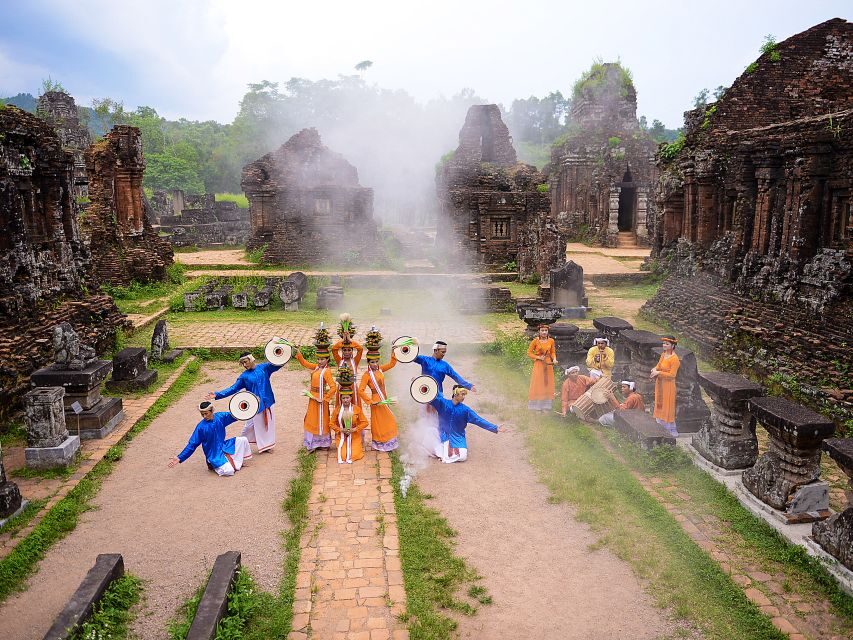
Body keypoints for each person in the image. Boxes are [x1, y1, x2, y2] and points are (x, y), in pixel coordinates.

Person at [207, 351, 281, 454]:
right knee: (250, 426)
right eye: (242, 364)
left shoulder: (264, 368)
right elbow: (233, 388)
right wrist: (218, 394)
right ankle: (238, 444)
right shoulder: (244, 376)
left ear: (251, 359)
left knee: (267, 424)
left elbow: (277, 364)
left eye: (245, 362)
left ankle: (265, 446)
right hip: (255, 405)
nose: (244, 365)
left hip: (268, 401)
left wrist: (284, 353)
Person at [168, 401, 252, 476]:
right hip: (213, 454)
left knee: (243, 440)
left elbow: (234, 415)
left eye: (206, 413)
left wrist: (248, 406)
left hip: (224, 446)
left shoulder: (220, 417)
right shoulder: (200, 427)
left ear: (212, 411)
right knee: (229, 471)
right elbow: (192, 445)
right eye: (202, 414)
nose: (204, 416)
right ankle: (212, 464)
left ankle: (234, 461)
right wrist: (180, 457)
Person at [429, 385, 506, 463]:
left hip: (457, 437)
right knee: (430, 431)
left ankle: (443, 455)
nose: (463, 397)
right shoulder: (443, 403)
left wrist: (495, 428)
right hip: (442, 434)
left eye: (464, 395)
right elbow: (428, 397)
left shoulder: (465, 410)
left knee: (462, 456)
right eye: (462, 394)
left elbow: (478, 420)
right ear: (455, 394)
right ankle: (443, 453)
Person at [294, 325, 338, 451]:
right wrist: (298, 353)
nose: (320, 361)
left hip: (321, 400)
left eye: (322, 359)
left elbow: (333, 387)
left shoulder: (327, 372)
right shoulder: (316, 368)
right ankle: (312, 443)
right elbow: (304, 363)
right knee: (311, 419)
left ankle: (323, 443)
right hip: (312, 399)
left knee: (322, 419)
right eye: (318, 359)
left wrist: (325, 398)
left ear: (327, 359)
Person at [358, 328, 399, 452]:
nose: (375, 364)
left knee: (389, 420)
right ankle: (379, 443)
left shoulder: (380, 369)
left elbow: (392, 364)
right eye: (372, 362)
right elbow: (360, 390)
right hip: (376, 402)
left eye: (376, 361)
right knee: (378, 422)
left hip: (384, 399)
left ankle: (389, 442)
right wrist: (370, 401)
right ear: (368, 362)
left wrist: (393, 351)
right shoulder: (366, 375)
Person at [331, 364, 369, 463]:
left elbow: (365, 423)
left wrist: (355, 429)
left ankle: (356, 446)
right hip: (342, 435)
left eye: (347, 398)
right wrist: (340, 429)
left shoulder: (356, 409)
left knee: (354, 455)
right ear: (341, 399)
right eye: (343, 398)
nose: (346, 400)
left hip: (355, 435)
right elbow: (331, 423)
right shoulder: (337, 410)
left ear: (351, 398)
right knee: (343, 456)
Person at [410, 340, 476, 397]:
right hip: (425, 392)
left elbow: (455, 376)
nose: (444, 354)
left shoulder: (445, 365)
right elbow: (410, 356)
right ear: (436, 350)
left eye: (445, 352)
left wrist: (469, 386)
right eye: (442, 352)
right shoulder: (424, 359)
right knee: (424, 411)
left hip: (438, 394)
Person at [652, 335, 680, 437]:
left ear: (673, 346)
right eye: (664, 343)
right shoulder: (663, 355)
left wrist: (658, 373)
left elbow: (672, 375)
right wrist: (654, 369)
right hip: (660, 384)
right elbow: (658, 366)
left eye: (667, 344)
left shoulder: (674, 359)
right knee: (660, 404)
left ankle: (669, 430)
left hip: (668, 385)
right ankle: (659, 427)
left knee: (667, 406)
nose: (664, 345)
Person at [527, 325, 557, 411]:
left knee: (548, 383)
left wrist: (554, 359)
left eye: (546, 330)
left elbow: (553, 352)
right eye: (542, 330)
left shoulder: (551, 341)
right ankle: (536, 406)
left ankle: (546, 406)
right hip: (539, 364)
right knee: (538, 383)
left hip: (548, 365)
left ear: (548, 331)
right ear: (539, 331)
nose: (544, 332)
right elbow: (529, 353)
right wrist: (539, 357)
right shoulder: (535, 341)